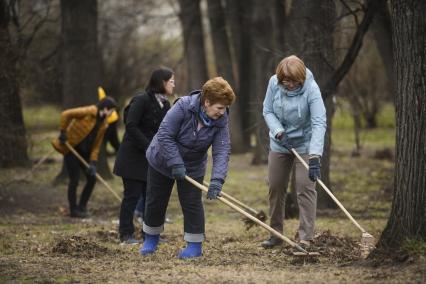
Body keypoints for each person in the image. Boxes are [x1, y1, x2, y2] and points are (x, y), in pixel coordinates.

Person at [140, 77, 235, 259]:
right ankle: (151, 239)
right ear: (207, 102)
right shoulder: (183, 107)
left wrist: (217, 180)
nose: (223, 113)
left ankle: (194, 246)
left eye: (225, 108)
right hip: (162, 159)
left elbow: (222, 149)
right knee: (156, 201)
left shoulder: (221, 119)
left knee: (192, 204)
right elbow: (165, 135)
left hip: (193, 165)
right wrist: (175, 163)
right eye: (219, 108)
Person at [261, 55, 326, 250]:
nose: (288, 84)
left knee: (305, 189)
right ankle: (276, 234)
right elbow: (267, 111)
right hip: (280, 143)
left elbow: (318, 122)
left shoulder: (312, 90)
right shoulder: (274, 83)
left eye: (293, 81)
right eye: (285, 81)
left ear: (301, 78)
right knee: (275, 186)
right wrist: (278, 132)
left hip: (305, 145)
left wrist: (314, 157)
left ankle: (306, 237)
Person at [113, 68, 175, 245]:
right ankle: (126, 234)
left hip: (151, 160)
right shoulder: (141, 99)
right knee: (131, 197)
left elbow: (165, 132)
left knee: (151, 198)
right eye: (171, 81)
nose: (173, 84)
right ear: (162, 82)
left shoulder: (166, 105)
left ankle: (151, 235)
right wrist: (149, 146)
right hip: (133, 158)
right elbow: (131, 125)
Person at [52, 96, 118, 218]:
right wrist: (63, 132)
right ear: (105, 108)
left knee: (92, 179)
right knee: (74, 180)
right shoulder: (89, 111)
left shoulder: (103, 125)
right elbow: (66, 114)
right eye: (112, 110)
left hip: (85, 153)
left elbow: (96, 146)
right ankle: (73, 210)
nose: (112, 113)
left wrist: (93, 162)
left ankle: (82, 207)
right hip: (71, 149)